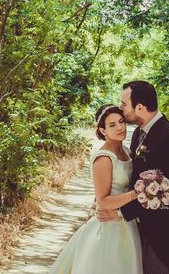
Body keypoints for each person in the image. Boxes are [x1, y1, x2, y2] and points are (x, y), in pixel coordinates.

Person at [97, 81, 169, 274]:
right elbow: (134, 181)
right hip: (146, 230)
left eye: (124, 104)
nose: (121, 109)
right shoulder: (138, 135)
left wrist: (121, 213)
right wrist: (108, 200)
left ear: (139, 107)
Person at [48, 104, 143, 274]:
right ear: (103, 130)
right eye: (112, 125)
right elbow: (103, 201)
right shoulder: (104, 158)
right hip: (109, 227)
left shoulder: (127, 151)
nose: (120, 127)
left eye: (121, 121)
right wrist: (137, 194)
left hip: (127, 224)